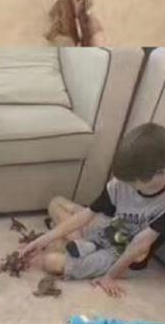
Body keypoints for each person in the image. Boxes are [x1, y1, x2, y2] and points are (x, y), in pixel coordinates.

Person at [18, 122, 165, 297]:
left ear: (161, 172)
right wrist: (42, 240)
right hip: (108, 228)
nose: (128, 187)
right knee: (56, 203)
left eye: (134, 184)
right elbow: (89, 214)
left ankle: (81, 248)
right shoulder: (122, 183)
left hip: (122, 254)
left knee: (50, 262)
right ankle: (83, 245)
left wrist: (110, 277)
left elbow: (139, 246)